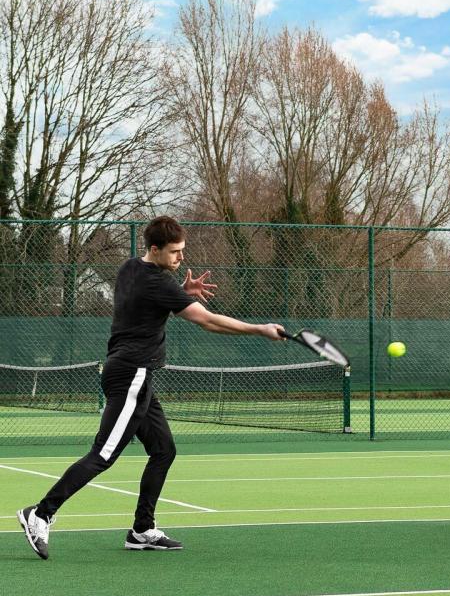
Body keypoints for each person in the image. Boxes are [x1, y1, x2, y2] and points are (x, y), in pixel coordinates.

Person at [17, 216, 284, 559]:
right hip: (132, 375)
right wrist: (259, 329)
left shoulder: (131, 268)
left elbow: (145, 302)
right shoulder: (160, 283)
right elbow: (206, 321)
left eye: (182, 251)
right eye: (174, 252)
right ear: (154, 249)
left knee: (163, 450)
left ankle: (142, 530)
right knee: (104, 453)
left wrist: (180, 293)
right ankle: (40, 513)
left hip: (131, 374)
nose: (180, 258)